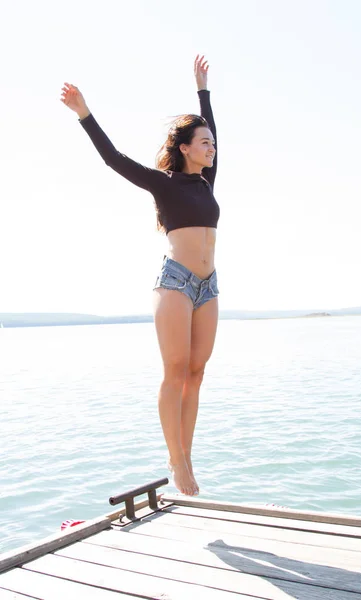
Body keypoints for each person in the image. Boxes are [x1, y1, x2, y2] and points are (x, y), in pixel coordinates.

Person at [61, 55, 219, 496]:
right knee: (175, 370)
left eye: (212, 143)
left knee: (198, 372)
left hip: (209, 287)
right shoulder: (163, 182)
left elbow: (212, 132)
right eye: (202, 142)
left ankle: (186, 454)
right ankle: (177, 460)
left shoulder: (207, 182)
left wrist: (202, 90)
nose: (210, 148)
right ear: (184, 147)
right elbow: (114, 159)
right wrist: (84, 114)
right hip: (176, 283)